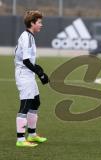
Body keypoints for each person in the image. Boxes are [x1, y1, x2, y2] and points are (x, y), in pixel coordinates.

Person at [14, 10, 49, 147]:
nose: (41, 25)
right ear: (32, 23)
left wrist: (40, 70)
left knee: (35, 102)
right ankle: (21, 139)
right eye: (39, 22)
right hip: (24, 75)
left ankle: (32, 135)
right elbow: (26, 61)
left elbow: (29, 61)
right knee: (26, 104)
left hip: (28, 74)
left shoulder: (29, 36)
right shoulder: (27, 37)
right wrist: (40, 74)